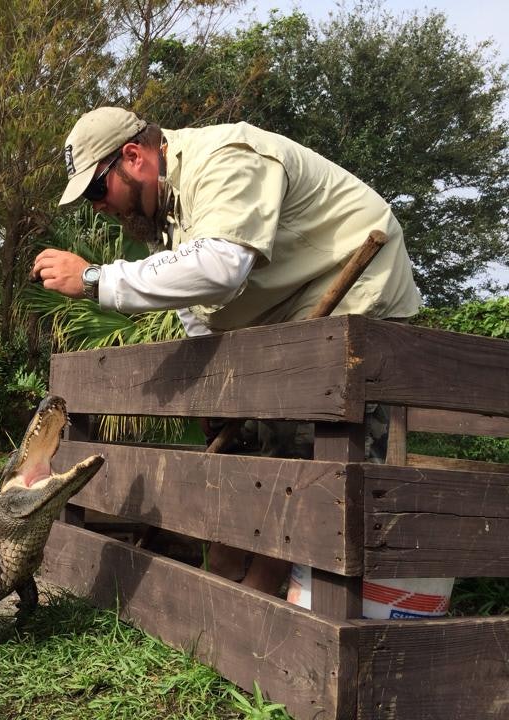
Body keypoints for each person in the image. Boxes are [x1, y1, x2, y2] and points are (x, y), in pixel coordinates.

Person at [32, 107, 422, 595]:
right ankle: (223, 590)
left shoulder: (227, 158)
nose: (96, 207)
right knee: (243, 463)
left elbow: (220, 266)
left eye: (96, 189)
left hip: (358, 302)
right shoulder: (170, 212)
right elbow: (200, 307)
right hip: (281, 328)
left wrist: (95, 279)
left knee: (302, 471)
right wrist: (218, 399)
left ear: (134, 157)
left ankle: (259, 610)